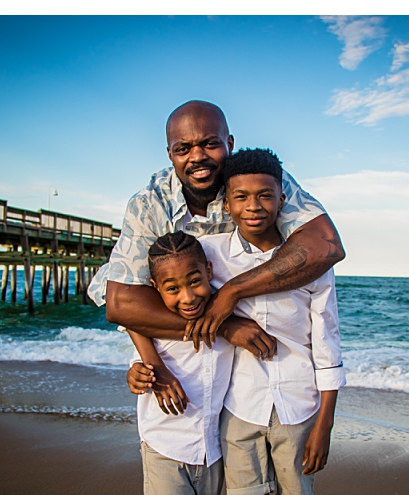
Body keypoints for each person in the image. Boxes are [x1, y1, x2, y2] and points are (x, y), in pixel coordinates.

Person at [86, 100, 345, 400]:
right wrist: (224, 325)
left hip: (252, 373)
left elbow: (326, 245)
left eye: (210, 144)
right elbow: (121, 303)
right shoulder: (149, 204)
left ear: (229, 144)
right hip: (193, 354)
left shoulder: (255, 178)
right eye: (183, 149)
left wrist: (231, 292)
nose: (197, 157)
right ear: (170, 154)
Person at [201, 148, 344, 495]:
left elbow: (327, 344)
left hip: (299, 407)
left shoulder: (310, 260)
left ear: (282, 200)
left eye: (265, 195)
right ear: (226, 204)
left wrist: (325, 425)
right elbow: (179, 301)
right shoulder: (210, 254)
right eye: (241, 197)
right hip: (238, 406)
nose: (253, 206)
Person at [129, 231, 232, 495]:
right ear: (155, 288)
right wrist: (137, 375)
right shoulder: (155, 324)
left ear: (209, 271)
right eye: (173, 289)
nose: (187, 297)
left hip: (211, 451)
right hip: (166, 446)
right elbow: (135, 343)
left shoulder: (224, 313)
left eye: (195, 282)